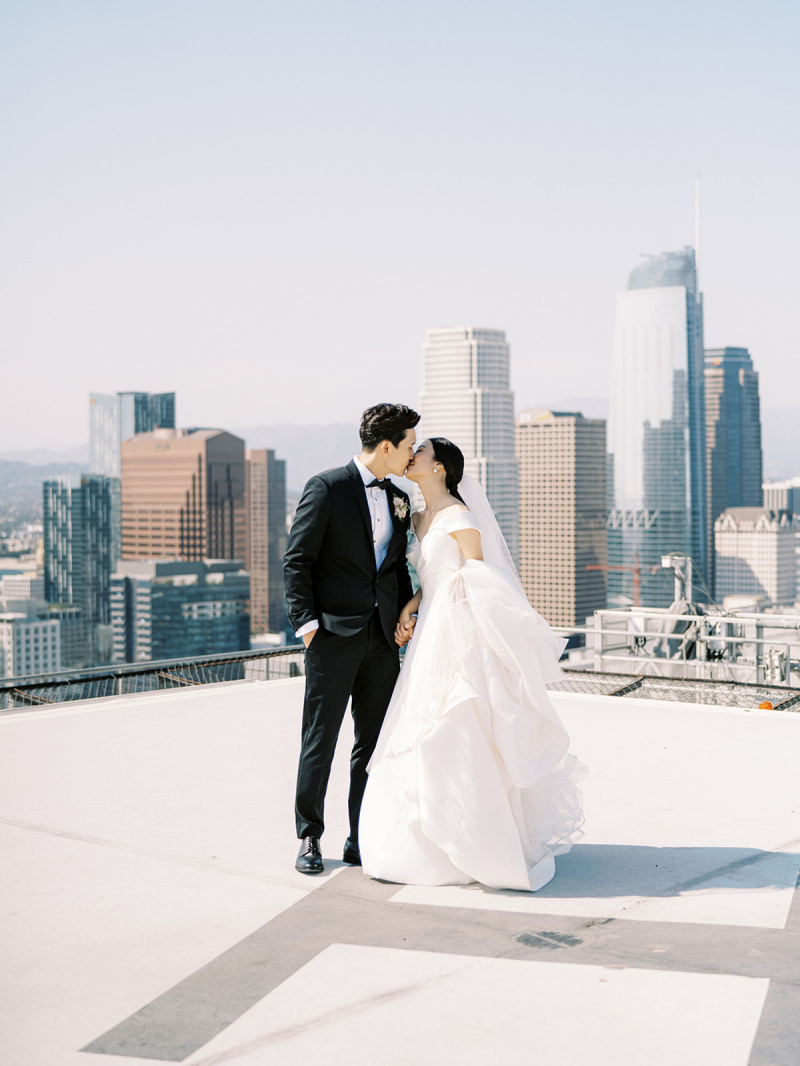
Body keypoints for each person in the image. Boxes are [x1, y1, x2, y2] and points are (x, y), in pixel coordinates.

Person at [359, 438, 585, 892]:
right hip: (428, 631)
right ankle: (419, 841)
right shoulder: (417, 518)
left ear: (438, 468)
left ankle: (473, 840)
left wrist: (444, 612)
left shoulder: (460, 517)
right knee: (417, 723)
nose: (411, 457)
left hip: (457, 630)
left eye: (418, 452)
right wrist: (414, 606)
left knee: (455, 720)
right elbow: (428, 576)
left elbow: (479, 574)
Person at [284, 403, 420, 875]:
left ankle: (360, 837)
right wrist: (308, 629)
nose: (412, 454)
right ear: (387, 446)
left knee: (372, 743)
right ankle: (308, 837)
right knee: (320, 740)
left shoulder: (399, 495)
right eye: (408, 445)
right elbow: (296, 561)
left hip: (383, 640)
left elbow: (396, 567)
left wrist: (406, 617)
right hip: (332, 637)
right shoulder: (326, 487)